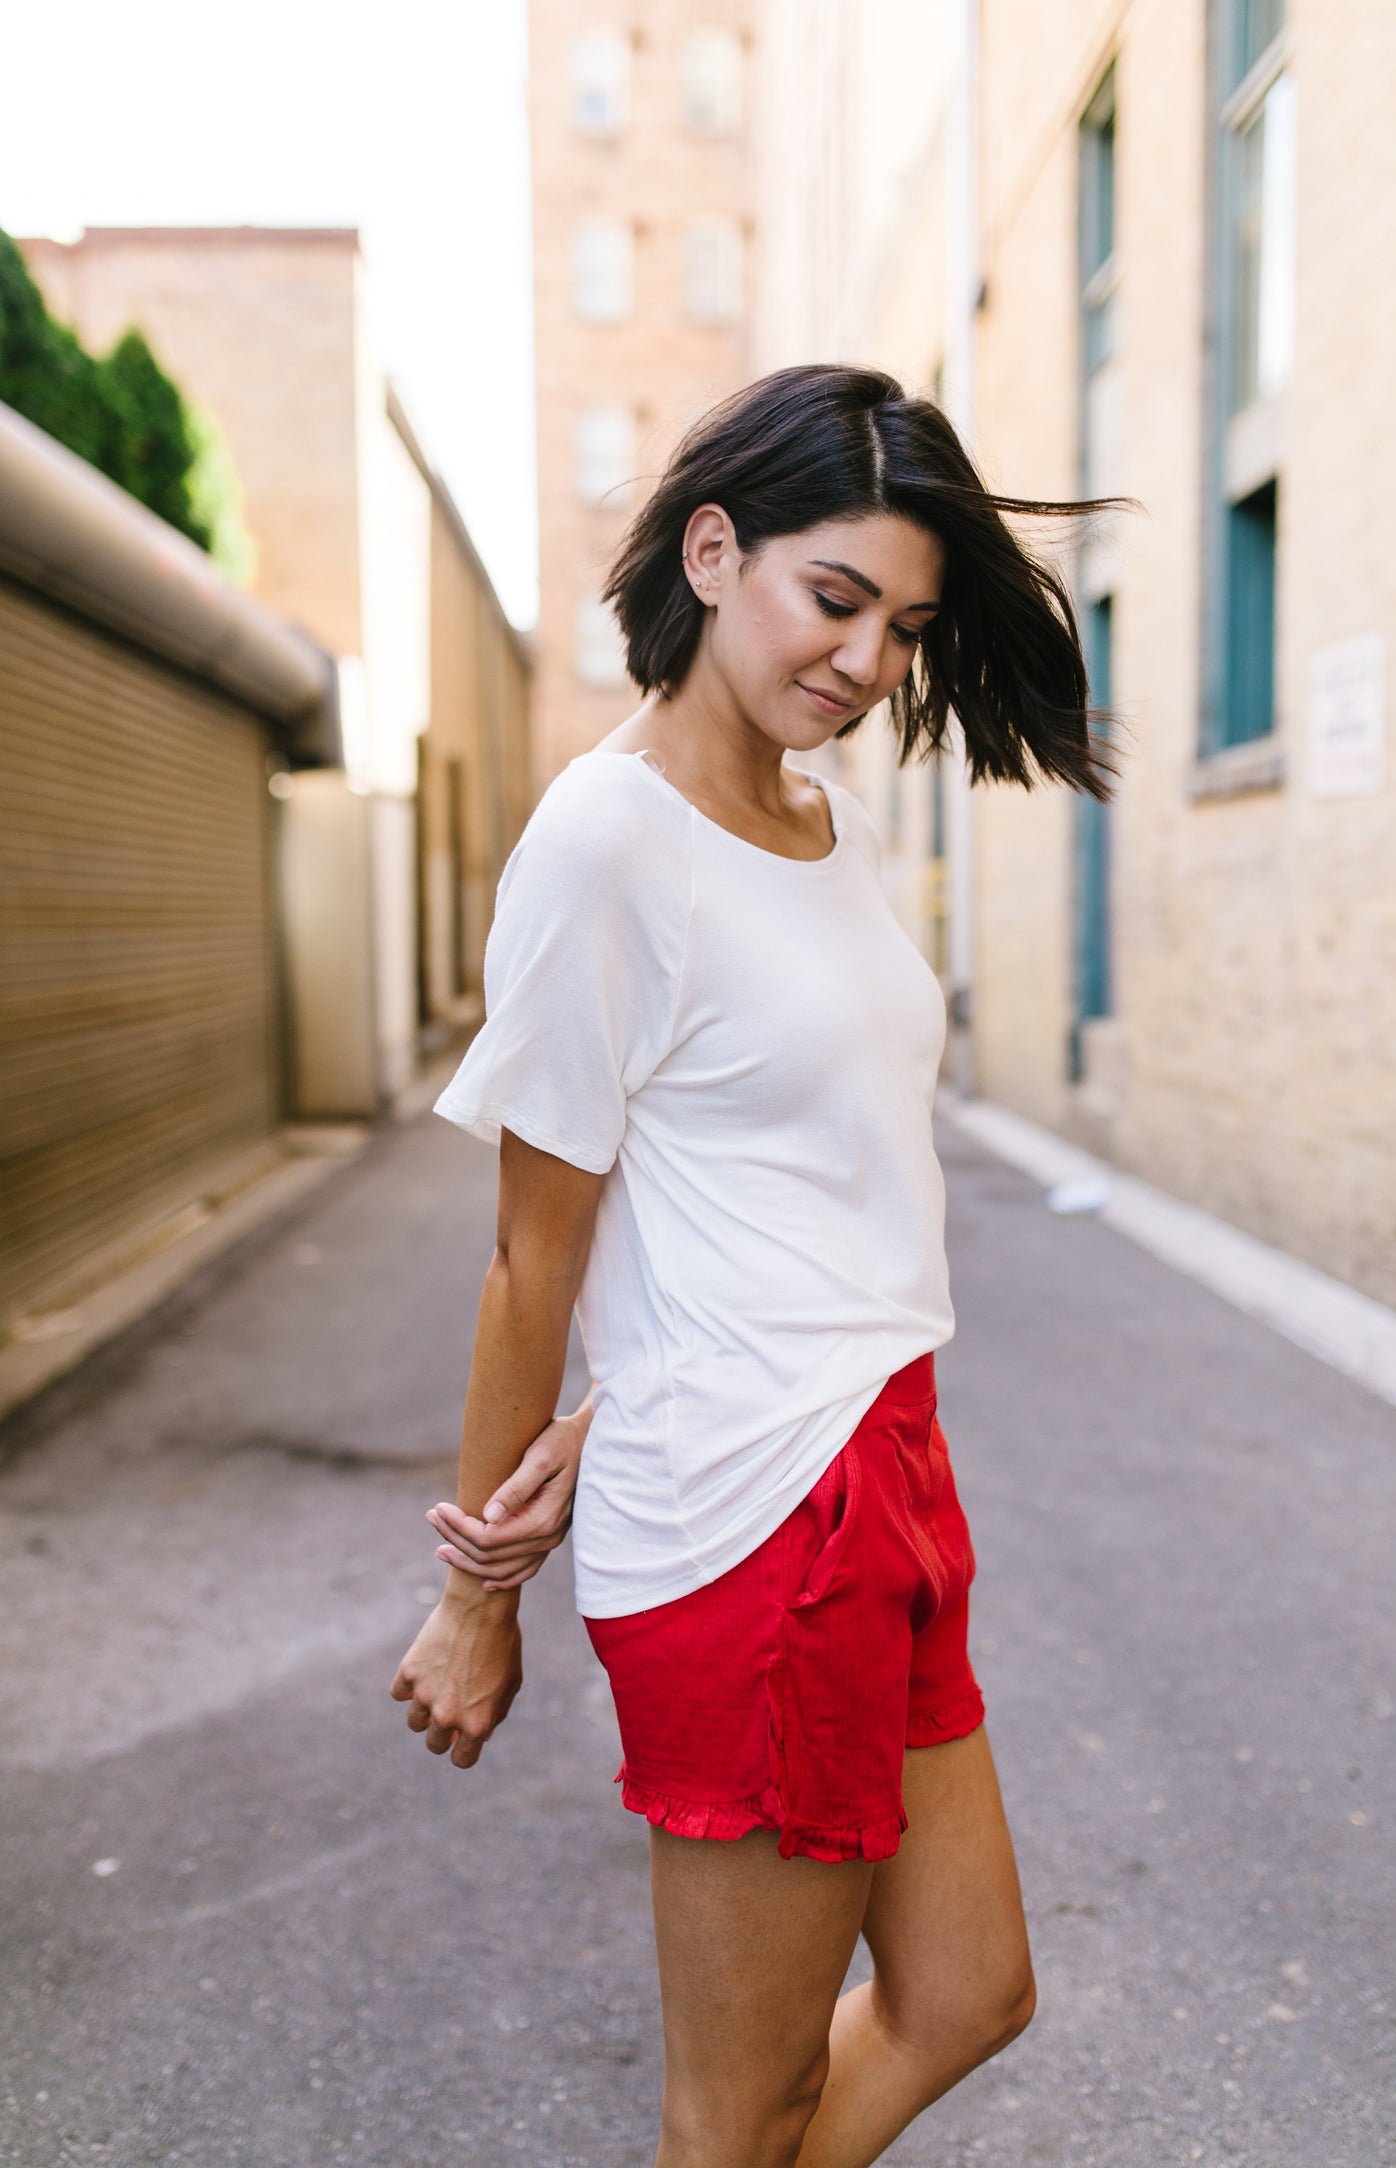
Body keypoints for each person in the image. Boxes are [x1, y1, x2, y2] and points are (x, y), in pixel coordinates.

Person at [389, 363, 1116, 2168]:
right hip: (751, 1511)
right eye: (836, 598)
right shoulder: (606, 841)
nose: (867, 662)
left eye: (905, 627)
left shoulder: (817, 818)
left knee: (968, 1992)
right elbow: (527, 1256)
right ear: (713, 554)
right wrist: (481, 1588)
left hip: (882, 1461)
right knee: (739, 2112)